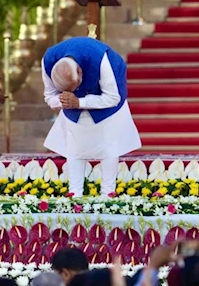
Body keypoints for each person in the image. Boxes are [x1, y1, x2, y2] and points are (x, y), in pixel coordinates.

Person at [42, 37, 141, 197]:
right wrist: (63, 100)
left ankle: (108, 195)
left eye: (76, 88)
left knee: (108, 146)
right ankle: (75, 195)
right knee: (75, 147)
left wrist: (79, 102)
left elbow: (112, 98)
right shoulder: (48, 61)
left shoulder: (101, 60)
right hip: (72, 108)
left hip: (109, 103)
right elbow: (49, 96)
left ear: (81, 72)